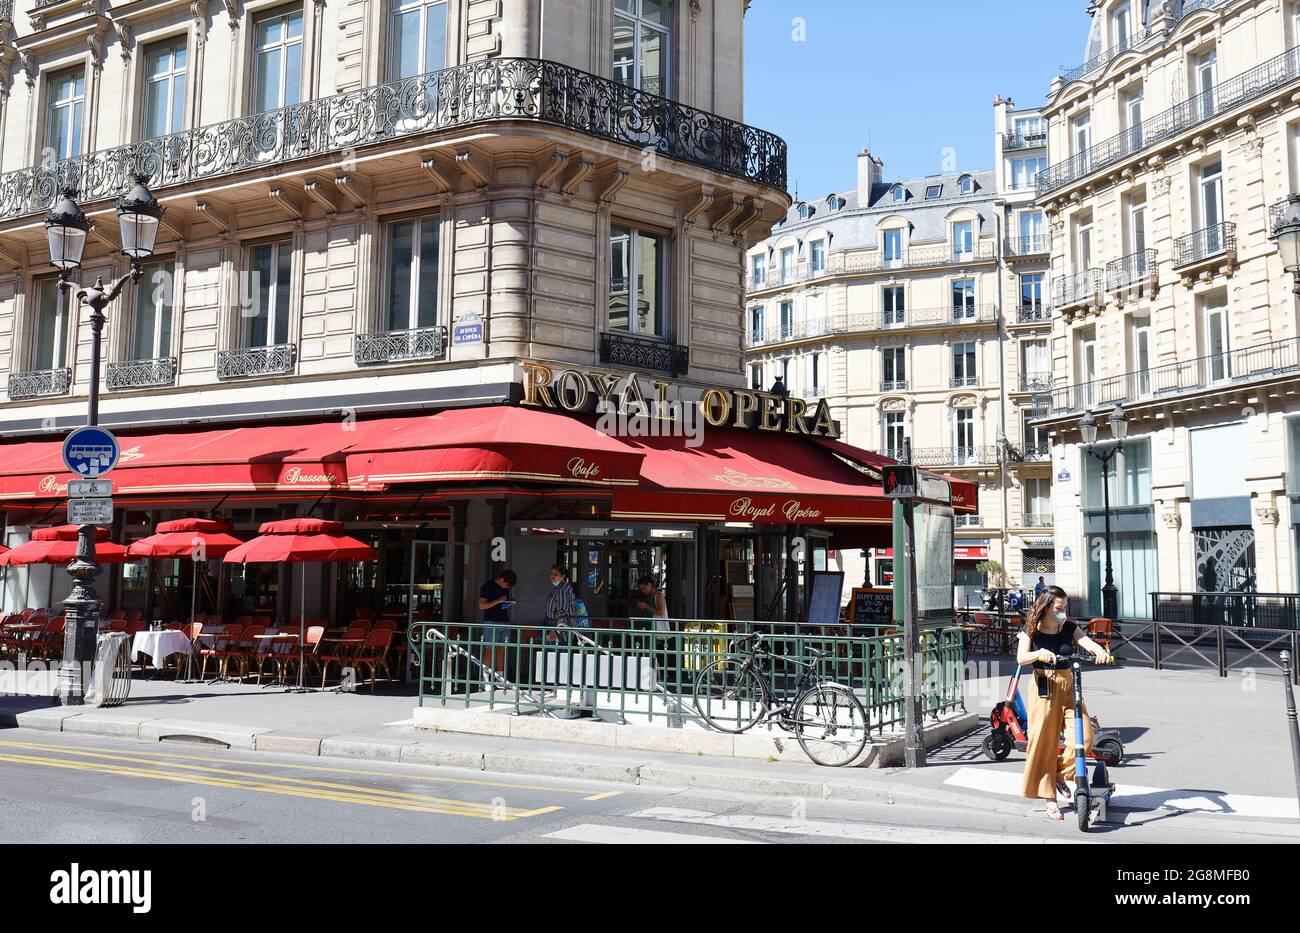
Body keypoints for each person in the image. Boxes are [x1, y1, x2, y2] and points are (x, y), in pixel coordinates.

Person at [1016, 585, 1111, 820]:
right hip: (1043, 687)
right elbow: (1020, 658)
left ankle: (1058, 774)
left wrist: (1099, 651)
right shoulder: (1031, 629)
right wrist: (1039, 654)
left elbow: (1086, 642)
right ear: (1047, 607)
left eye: (1065, 607)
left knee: (1085, 739)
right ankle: (1050, 801)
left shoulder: (1068, 626)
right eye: (1059, 608)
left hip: (1069, 686)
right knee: (1043, 744)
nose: (1063, 611)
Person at [478, 569, 517, 679]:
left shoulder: (504, 589)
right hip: (491, 622)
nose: (507, 588)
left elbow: (502, 604)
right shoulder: (487, 586)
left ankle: (500, 678)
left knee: (501, 650)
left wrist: (508, 603)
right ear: (502, 580)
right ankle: (485, 680)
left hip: (504, 621)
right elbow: (481, 606)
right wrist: (498, 600)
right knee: (489, 650)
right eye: (507, 585)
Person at [543, 565, 586, 640]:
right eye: (551, 574)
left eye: (556, 574)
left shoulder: (563, 590)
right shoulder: (557, 588)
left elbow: (563, 613)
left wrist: (555, 631)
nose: (552, 576)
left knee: (558, 650)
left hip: (561, 629)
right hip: (555, 626)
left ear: (563, 577)